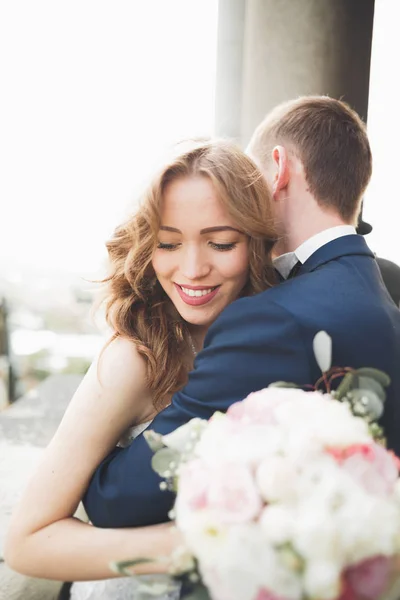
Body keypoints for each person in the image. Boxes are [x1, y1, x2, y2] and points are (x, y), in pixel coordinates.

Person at [79, 95, 400, 530]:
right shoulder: (384, 280)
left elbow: (116, 498)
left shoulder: (272, 318)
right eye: (170, 242)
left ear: (279, 167)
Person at [4, 140, 277, 591]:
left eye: (222, 243)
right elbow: (28, 540)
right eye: (168, 243)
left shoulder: (277, 345)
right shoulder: (134, 358)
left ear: (258, 243)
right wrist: (194, 545)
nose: (192, 268)